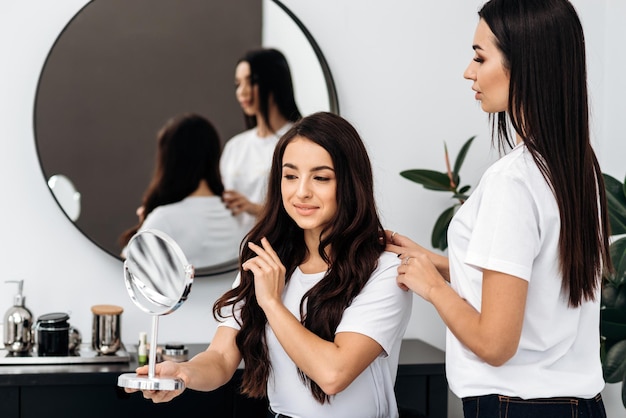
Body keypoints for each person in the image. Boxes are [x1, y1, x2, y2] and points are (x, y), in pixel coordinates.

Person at [387, 1, 611, 417]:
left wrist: (433, 288)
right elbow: (531, 283)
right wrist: (430, 262)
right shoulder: (577, 167)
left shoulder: (513, 181)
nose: (468, 72)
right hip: (579, 406)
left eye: (479, 57)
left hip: (517, 407)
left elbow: (495, 344)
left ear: (525, 63)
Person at [128, 112, 413, 418]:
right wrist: (183, 373)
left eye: (321, 177)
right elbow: (222, 358)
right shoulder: (265, 262)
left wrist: (271, 304)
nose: (301, 191)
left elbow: (333, 375)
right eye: (290, 176)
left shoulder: (384, 271)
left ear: (350, 183)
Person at [119, 113, 245, 268]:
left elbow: (123, 271)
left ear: (170, 161)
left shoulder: (165, 219)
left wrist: (146, 226)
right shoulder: (235, 218)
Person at [220, 48, 302, 234]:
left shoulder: (297, 141)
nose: (242, 91)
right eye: (238, 84)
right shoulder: (235, 146)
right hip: (233, 252)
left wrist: (254, 208)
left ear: (273, 82)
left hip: (279, 248)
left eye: (251, 82)